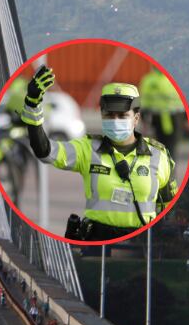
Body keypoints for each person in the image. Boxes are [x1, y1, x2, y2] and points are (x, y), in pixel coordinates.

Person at [22, 66, 177, 241]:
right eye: (109, 115)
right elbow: (44, 151)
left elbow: (168, 209)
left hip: (140, 245)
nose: (115, 121)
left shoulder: (159, 155)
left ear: (136, 118)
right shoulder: (87, 149)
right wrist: (32, 104)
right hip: (96, 240)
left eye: (122, 115)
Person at [139, 67, 186, 158]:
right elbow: (145, 102)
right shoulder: (150, 80)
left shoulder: (149, 80)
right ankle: (165, 167)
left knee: (170, 146)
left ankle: (168, 167)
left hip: (173, 117)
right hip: (160, 118)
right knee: (163, 145)